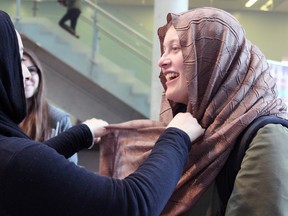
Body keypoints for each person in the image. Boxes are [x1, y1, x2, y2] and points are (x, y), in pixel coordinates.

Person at [0, 10, 205, 216]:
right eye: (17, 58)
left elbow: (29, 165)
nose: (25, 74)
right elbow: (131, 204)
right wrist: (176, 138)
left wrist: (83, 133)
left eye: (176, 48)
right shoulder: (15, 159)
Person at [99, 7, 288, 216]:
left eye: (177, 48)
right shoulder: (191, 130)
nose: (162, 60)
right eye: (164, 50)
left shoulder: (267, 137)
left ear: (214, 58)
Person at [19, 48, 78, 164]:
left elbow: (71, 167)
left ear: (39, 75)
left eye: (32, 70)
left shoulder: (58, 119)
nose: (28, 76)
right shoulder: (5, 117)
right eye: (21, 71)